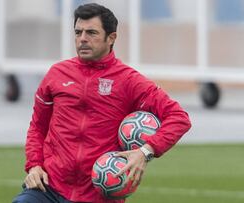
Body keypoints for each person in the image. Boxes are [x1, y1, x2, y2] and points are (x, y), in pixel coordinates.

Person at [12, 3, 191, 203]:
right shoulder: (56, 74)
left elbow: (179, 118)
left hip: (98, 194)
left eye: (91, 33)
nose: (82, 39)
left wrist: (145, 152)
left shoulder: (128, 80)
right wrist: (34, 165)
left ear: (111, 38)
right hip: (50, 187)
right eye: (78, 32)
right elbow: (38, 127)